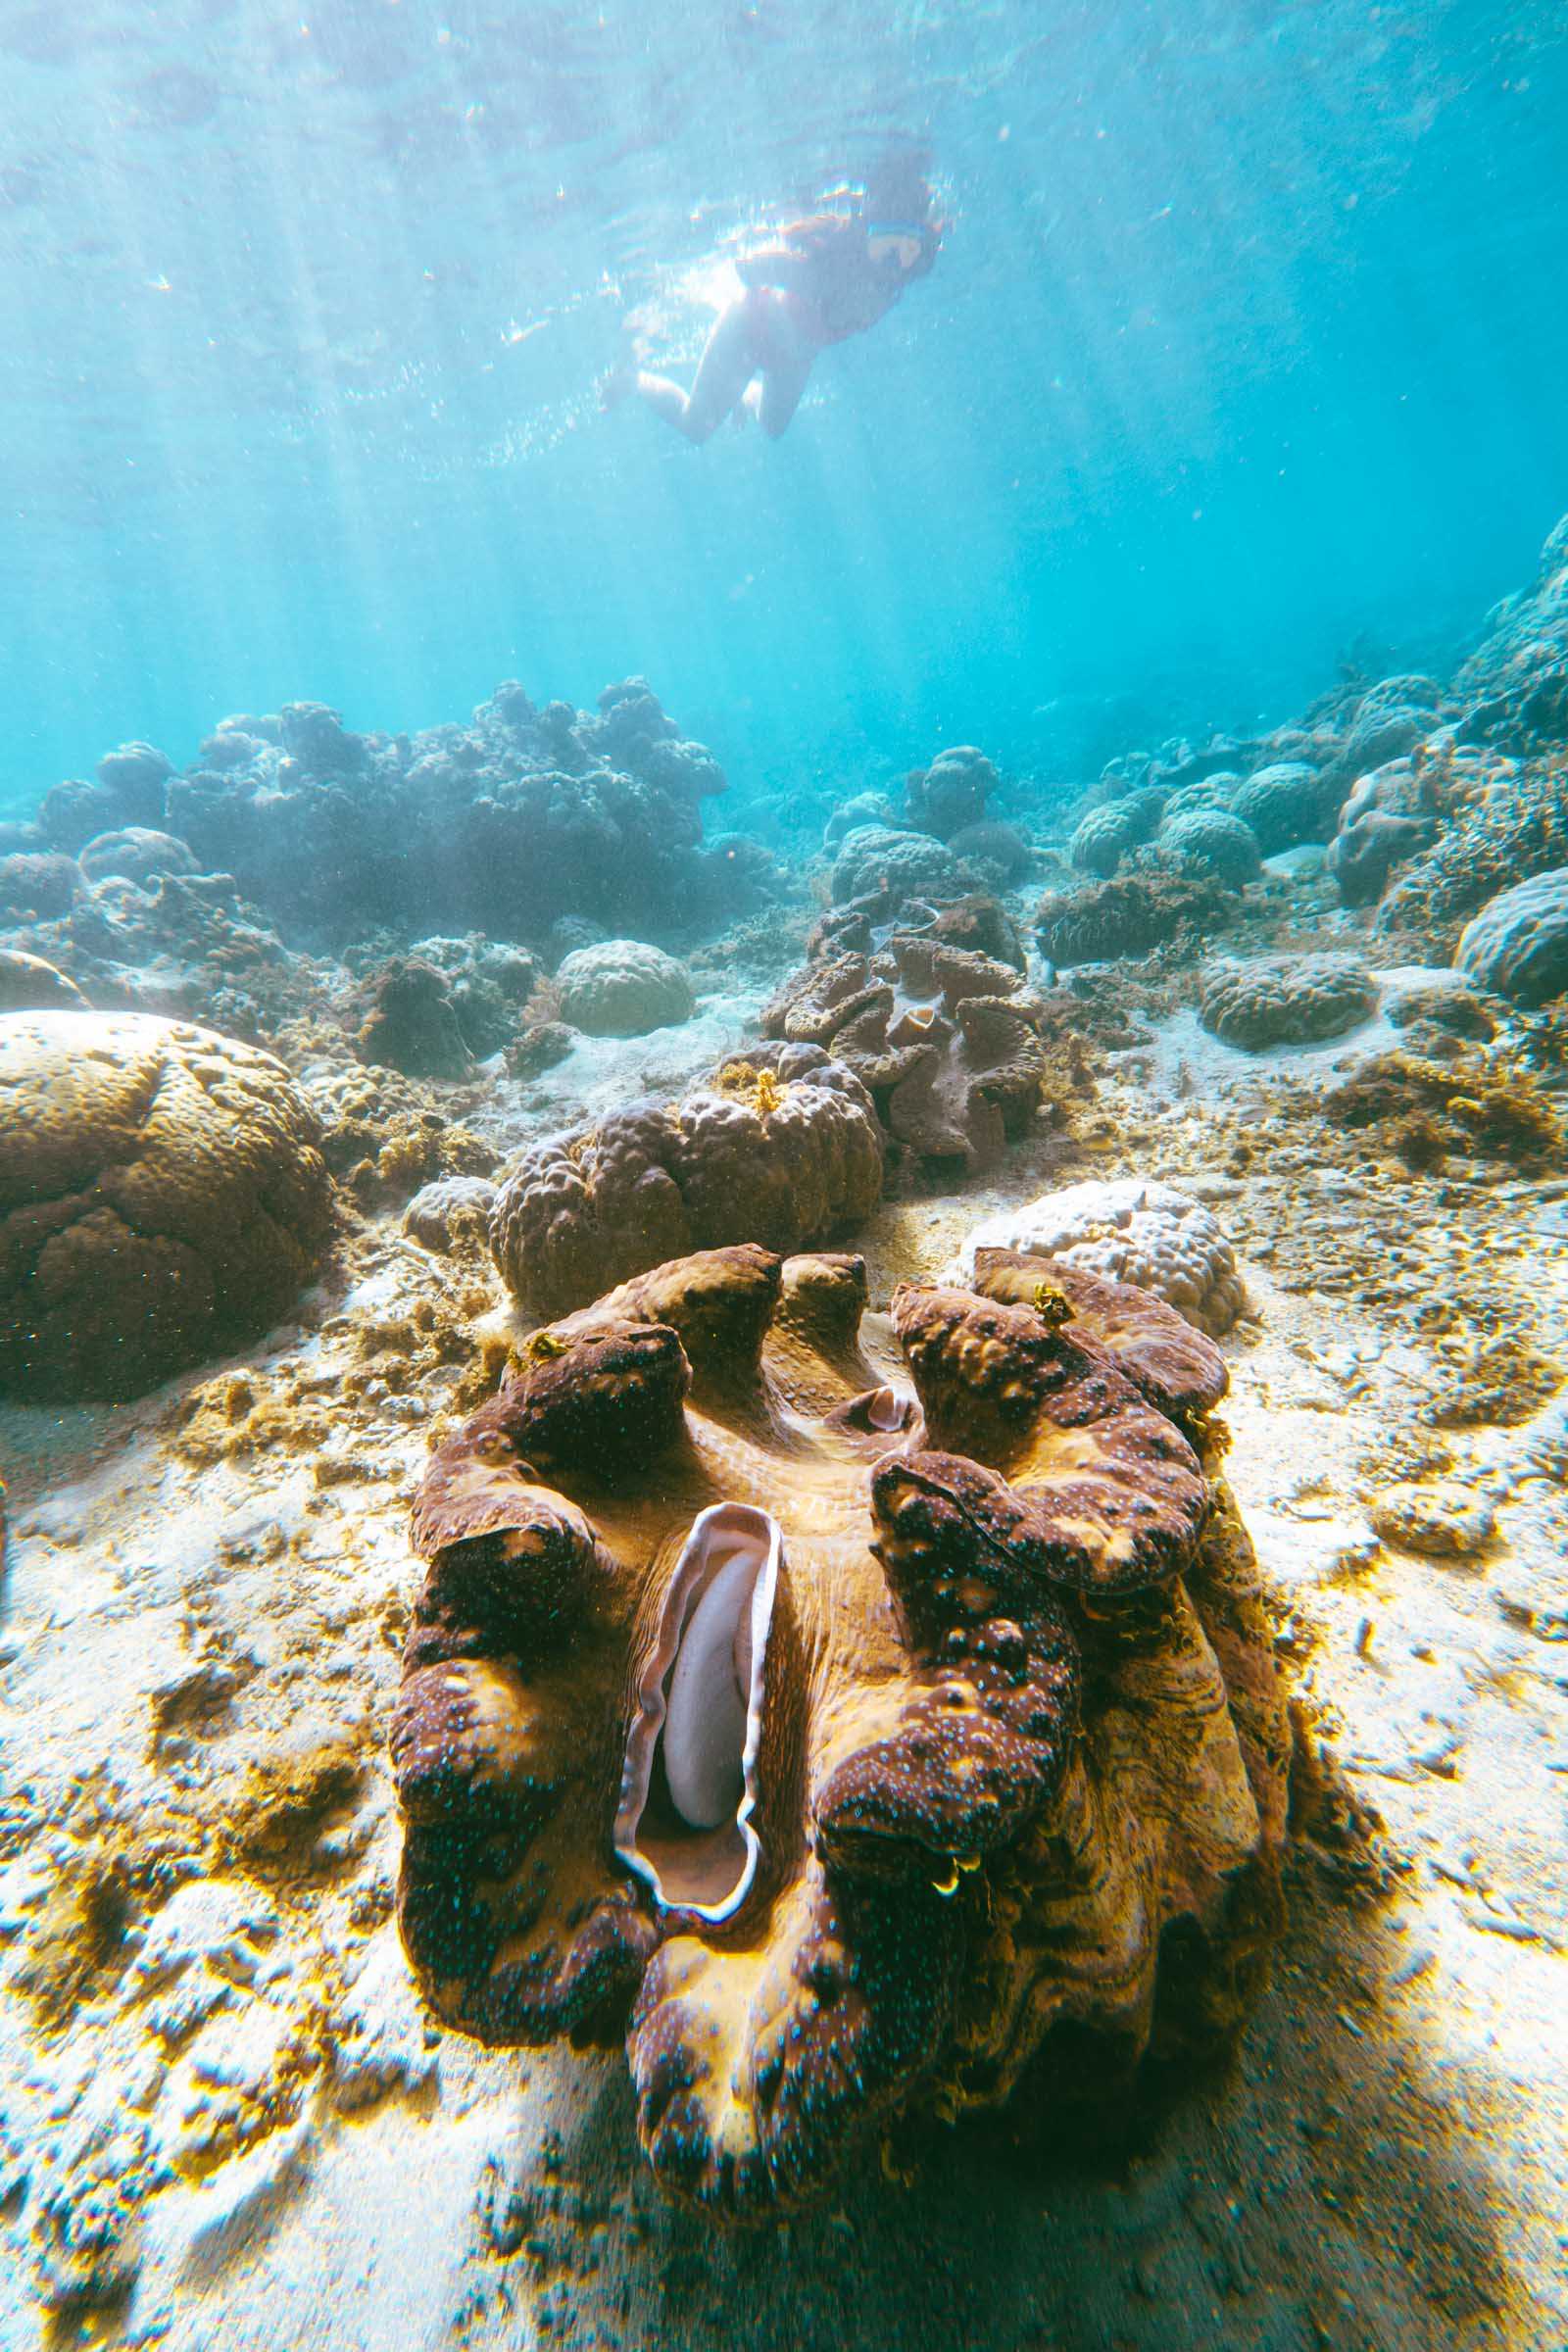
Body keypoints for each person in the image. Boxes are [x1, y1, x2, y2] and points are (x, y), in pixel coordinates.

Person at [602, 158, 942, 444]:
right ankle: (635, 379)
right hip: (746, 330)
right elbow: (748, 268)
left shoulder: (896, 281)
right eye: (888, 245)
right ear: (866, 232)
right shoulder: (824, 268)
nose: (897, 262)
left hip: (795, 357)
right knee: (696, 428)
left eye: (910, 248)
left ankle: (741, 389)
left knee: (772, 428)